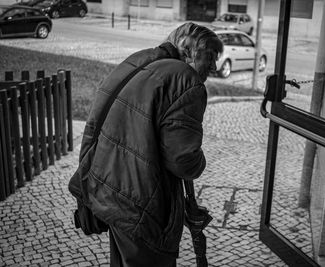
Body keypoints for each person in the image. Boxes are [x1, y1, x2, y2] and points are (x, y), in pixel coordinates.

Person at [73, 22, 223, 266]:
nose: (214, 66)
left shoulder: (139, 60)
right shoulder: (187, 80)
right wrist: (200, 160)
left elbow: (94, 122)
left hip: (108, 188)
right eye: (210, 56)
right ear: (188, 50)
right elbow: (183, 161)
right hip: (140, 203)